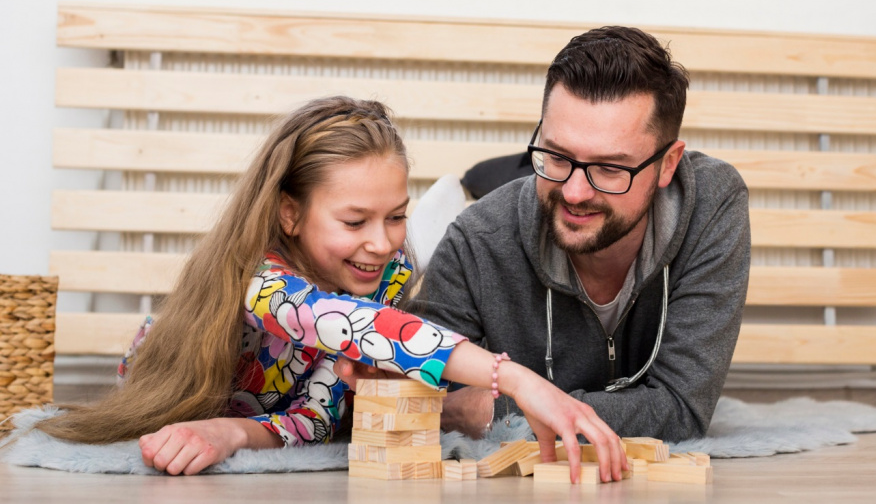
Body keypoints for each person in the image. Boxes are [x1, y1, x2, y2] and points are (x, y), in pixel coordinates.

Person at [32, 96, 626, 482]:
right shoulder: (264, 282)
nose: (382, 242)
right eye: (354, 221)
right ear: (290, 214)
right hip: (180, 389)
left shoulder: (386, 274)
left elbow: (320, 414)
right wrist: (517, 378)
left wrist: (238, 435)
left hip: (270, 410)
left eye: (396, 216)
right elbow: (355, 328)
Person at [404, 26, 751, 441]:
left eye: (610, 167)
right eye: (556, 155)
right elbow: (430, 405)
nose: (574, 192)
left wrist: (496, 407)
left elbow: (680, 410)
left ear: (667, 165)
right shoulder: (475, 241)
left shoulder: (711, 204)